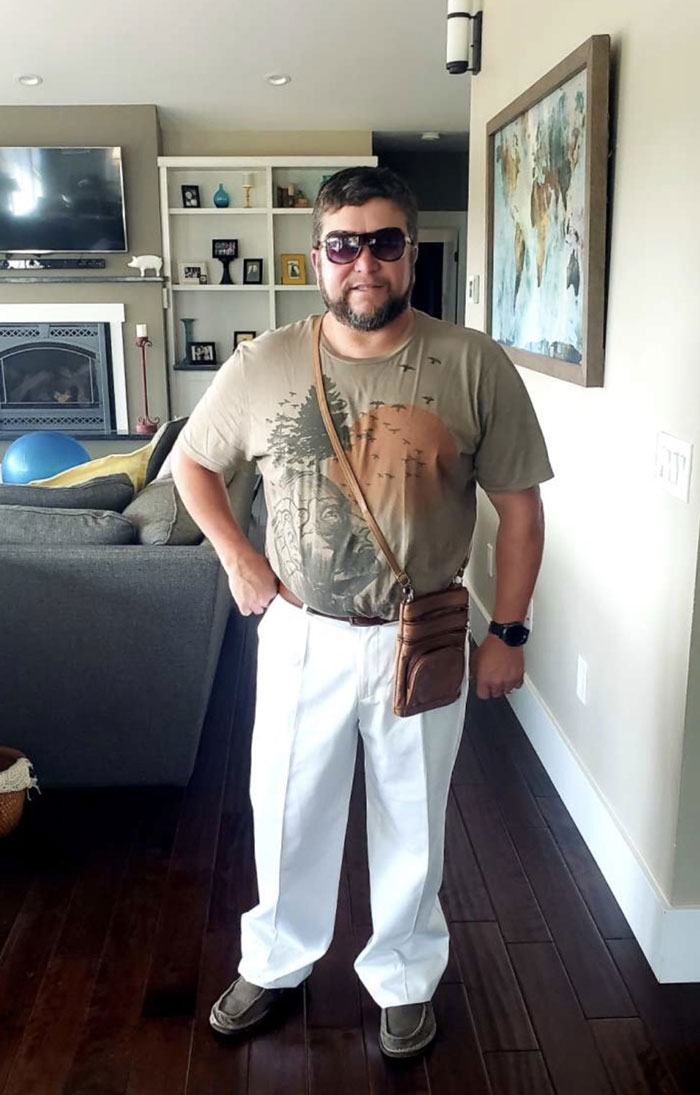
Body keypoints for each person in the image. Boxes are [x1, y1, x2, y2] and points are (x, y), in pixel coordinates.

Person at [171, 165, 553, 1058]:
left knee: (413, 814)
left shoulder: (470, 363)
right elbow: (193, 463)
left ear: (409, 253)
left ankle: (405, 976)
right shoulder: (264, 361)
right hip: (301, 631)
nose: (364, 264)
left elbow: (523, 511)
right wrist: (239, 555)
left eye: (384, 243)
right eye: (345, 245)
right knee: (288, 806)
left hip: (421, 637)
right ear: (317, 259)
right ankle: (275, 960)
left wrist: (511, 631)